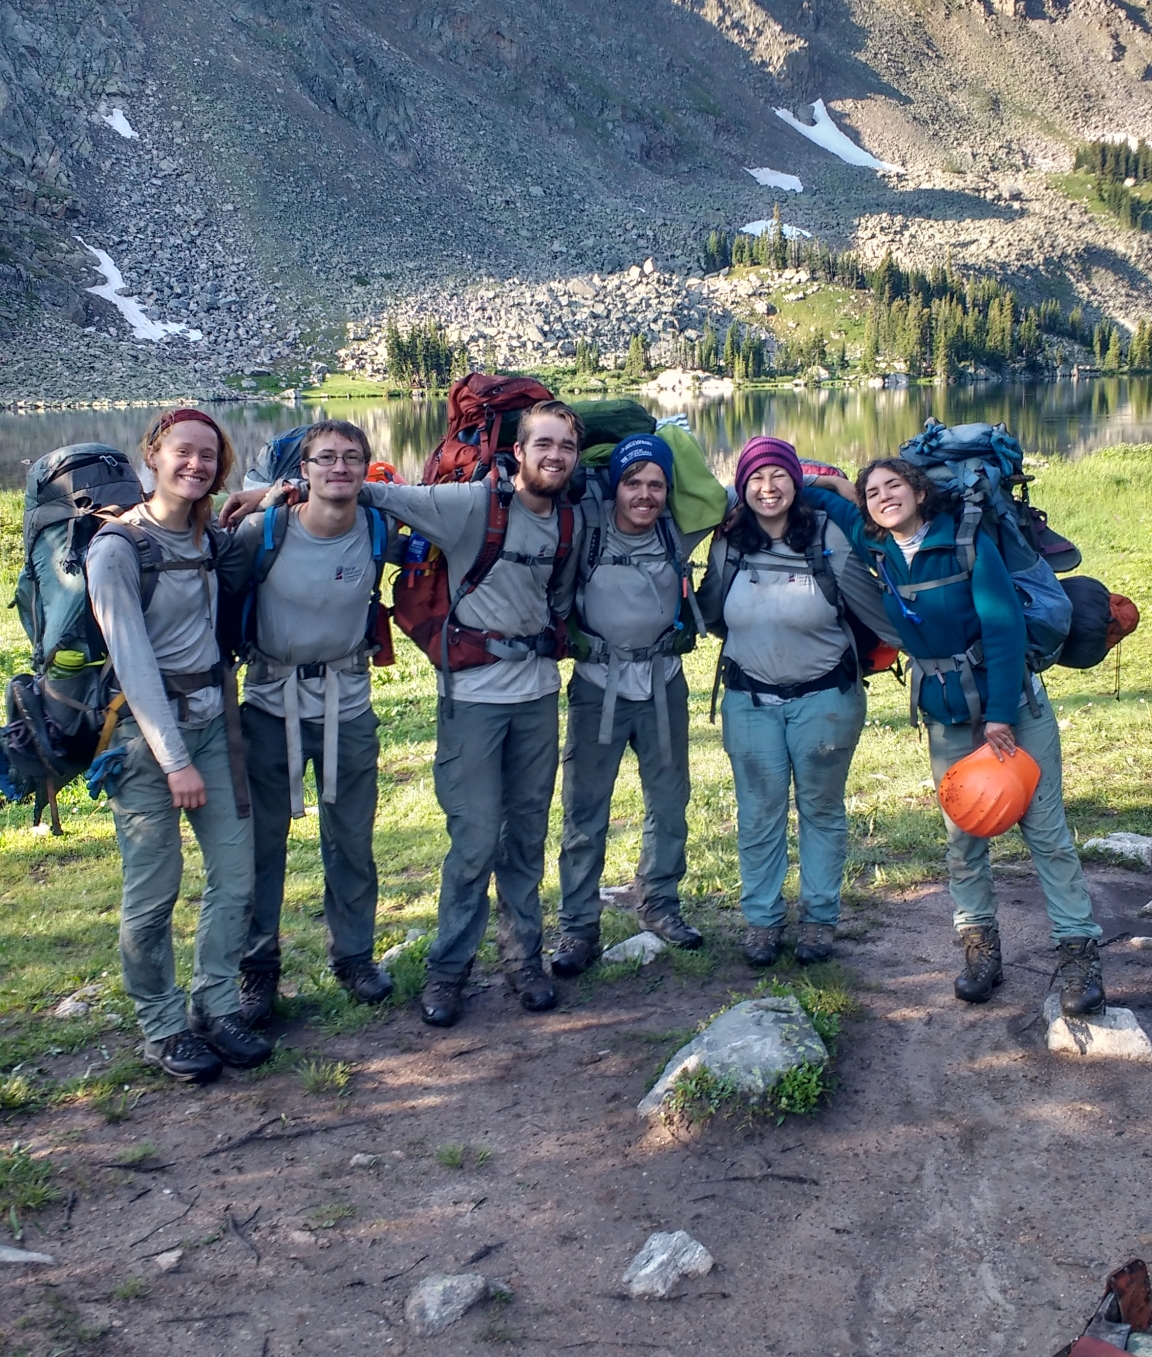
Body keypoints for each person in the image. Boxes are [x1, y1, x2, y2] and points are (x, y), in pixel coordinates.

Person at [226, 400, 583, 1029]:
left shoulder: (573, 521)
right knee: (468, 842)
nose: (554, 456)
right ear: (517, 452)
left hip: (521, 696)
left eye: (566, 447)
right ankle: (438, 971)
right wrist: (273, 492)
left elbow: (378, 513)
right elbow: (384, 497)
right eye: (542, 444)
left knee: (513, 834)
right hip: (340, 700)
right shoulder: (467, 505)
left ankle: (507, 957)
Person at [813, 457, 1106, 1014]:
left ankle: (1078, 955)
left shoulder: (967, 542)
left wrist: (998, 713)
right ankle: (980, 951)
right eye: (872, 492)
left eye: (893, 486)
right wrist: (822, 484)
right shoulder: (875, 544)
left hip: (1011, 709)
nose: (882, 497)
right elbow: (829, 504)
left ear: (919, 492)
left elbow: (1003, 626)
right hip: (947, 715)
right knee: (964, 836)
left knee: (1046, 832)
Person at [85, 410, 271, 1082]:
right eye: (182, 453)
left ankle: (216, 1005)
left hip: (214, 724)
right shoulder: (117, 548)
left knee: (234, 875)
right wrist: (175, 762)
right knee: (154, 889)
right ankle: (162, 1025)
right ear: (154, 455)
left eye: (207, 457)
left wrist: (275, 493)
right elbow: (133, 667)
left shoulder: (206, 535)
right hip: (145, 741)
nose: (194, 465)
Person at [697, 436, 890, 968]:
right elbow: (713, 610)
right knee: (758, 813)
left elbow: (874, 609)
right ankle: (762, 923)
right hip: (749, 700)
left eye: (778, 475)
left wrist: (940, 647)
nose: (768, 487)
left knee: (821, 809)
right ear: (742, 486)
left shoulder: (828, 537)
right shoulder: (729, 543)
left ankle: (819, 920)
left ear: (795, 480)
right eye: (756, 478)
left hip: (826, 699)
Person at [230, 419, 393, 1026]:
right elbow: (221, 593)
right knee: (259, 845)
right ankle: (257, 970)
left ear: (366, 468)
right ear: (303, 471)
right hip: (268, 707)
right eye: (326, 458)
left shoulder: (379, 528)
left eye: (352, 458)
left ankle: (353, 956)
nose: (339, 469)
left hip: (347, 708)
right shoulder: (264, 532)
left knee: (352, 839)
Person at [551, 432, 702, 977]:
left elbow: (721, 494)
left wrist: (669, 433)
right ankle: (577, 927)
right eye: (633, 482)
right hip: (598, 687)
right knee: (585, 810)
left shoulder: (676, 532)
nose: (644, 494)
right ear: (615, 485)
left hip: (664, 684)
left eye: (656, 483)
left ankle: (660, 904)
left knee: (668, 803)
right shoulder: (586, 531)